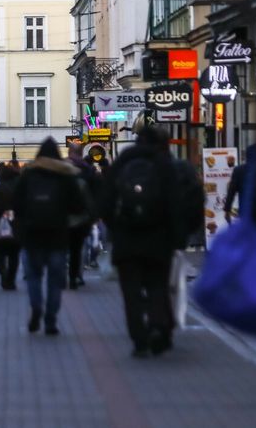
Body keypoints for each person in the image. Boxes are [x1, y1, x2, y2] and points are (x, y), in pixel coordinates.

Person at [103, 127, 177, 357]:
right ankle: (157, 326)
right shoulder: (165, 165)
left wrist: (115, 229)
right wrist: (176, 236)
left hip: (127, 240)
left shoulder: (121, 163)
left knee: (131, 292)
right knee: (157, 285)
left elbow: (104, 202)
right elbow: (176, 204)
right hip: (158, 238)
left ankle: (139, 338)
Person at [11, 139, 86, 336]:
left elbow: (16, 203)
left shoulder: (28, 173)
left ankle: (36, 306)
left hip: (32, 234)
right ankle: (51, 319)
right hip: (57, 235)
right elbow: (78, 205)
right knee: (55, 280)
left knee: (34, 277)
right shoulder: (65, 175)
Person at [66, 142, 101, 289]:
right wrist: (94, 215)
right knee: (78, 249)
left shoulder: (61, 168)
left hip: (63, 217)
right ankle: (75, 276)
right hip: (82, 217)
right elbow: (95, 194)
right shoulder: (88, 170)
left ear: (69, 153)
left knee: (63, 249)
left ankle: (65, 275)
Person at [0, 164, 21, 290]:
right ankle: (11, 280)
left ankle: (2, 269)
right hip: (15, 225)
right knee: (14, 254)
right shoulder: (19, 189)